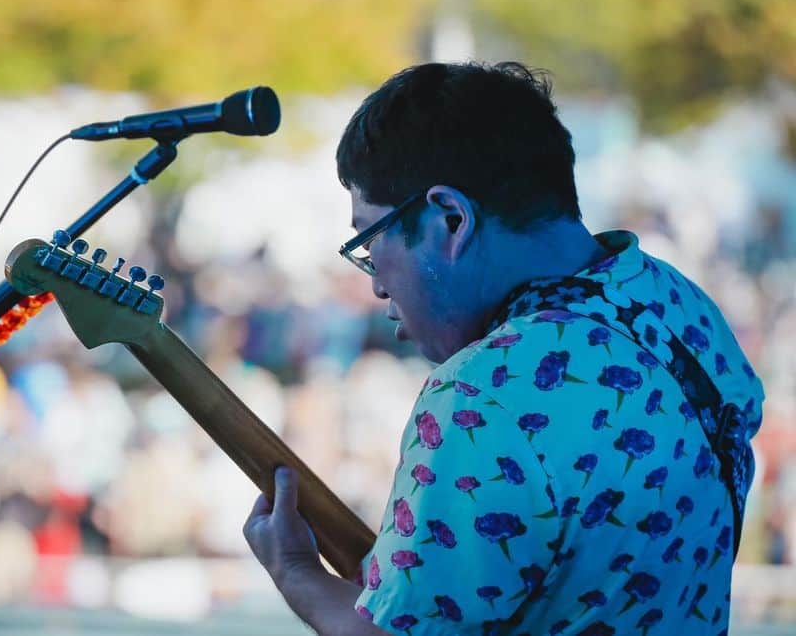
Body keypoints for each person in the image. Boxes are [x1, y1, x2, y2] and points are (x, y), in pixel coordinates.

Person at [243, 62, 763, 636]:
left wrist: (296, 573)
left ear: (451, 218)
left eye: (369, 241)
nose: (375, 283)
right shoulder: (679, 305)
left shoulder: (483, 394)